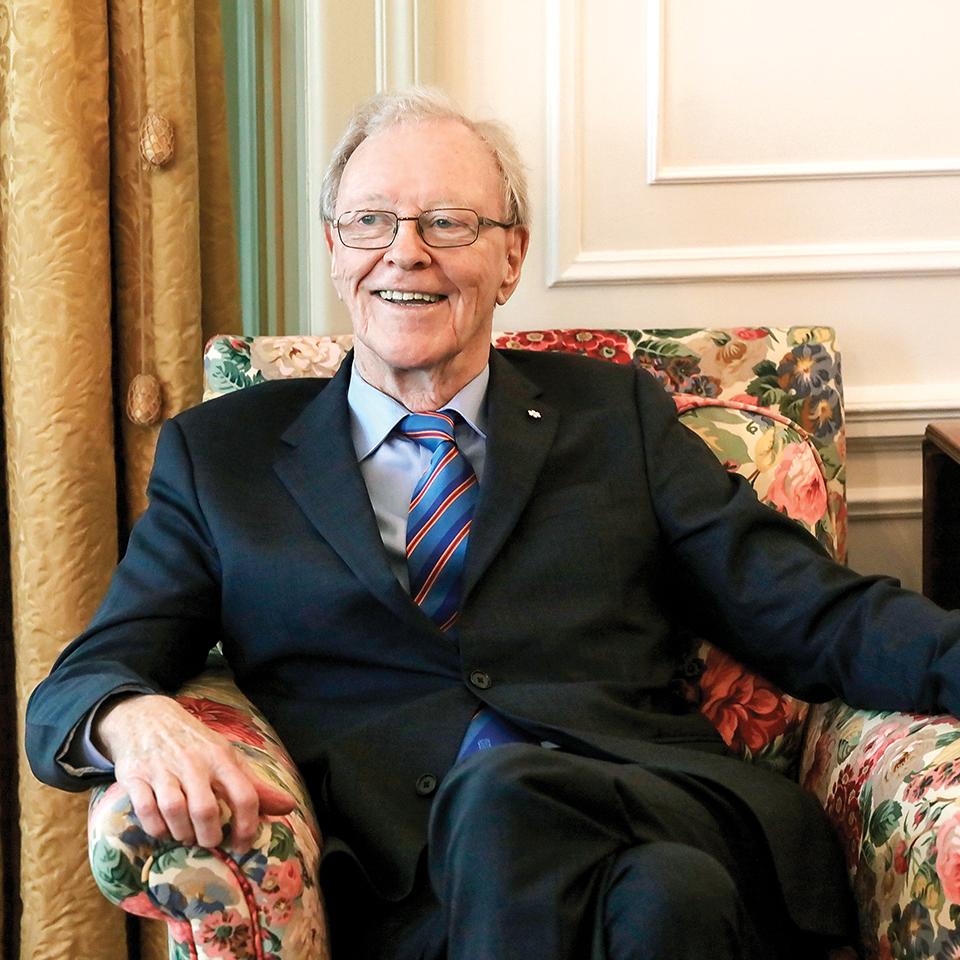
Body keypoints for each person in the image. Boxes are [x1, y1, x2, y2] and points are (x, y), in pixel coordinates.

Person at [25, 87, 960, 960]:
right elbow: (83, 677)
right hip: (412, 884)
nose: (405, 251)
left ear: (512, 256)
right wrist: (131, 714)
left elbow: (811, 611)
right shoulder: (222, 456)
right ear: (334, 248)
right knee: (668, 900)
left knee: (530, 801)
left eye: (449, 223)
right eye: (371, 221)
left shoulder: (614, 417)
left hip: (654, 796)